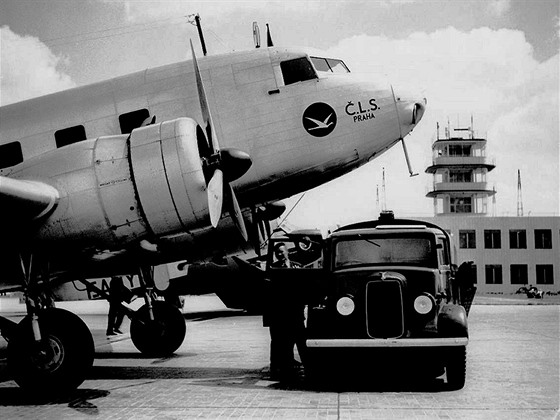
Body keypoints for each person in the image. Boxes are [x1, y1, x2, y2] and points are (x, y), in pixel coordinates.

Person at [266, 242, 307, 380]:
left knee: (301, 342)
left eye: (282, 251)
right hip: (281, 314)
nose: (279, 254)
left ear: (287, 252)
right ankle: (279, 369)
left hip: (296, 313)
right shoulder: (273, 269)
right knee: (281, 343)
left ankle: (309, 368)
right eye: (277, 252)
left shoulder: (298, 267)